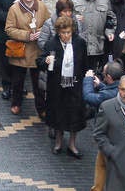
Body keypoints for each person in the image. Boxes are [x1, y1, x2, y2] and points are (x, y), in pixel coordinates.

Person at [37, 15, 88, 158]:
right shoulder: (52, 44)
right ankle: (58, 142)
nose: (66, 36)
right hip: (57, 87)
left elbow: (84, 63)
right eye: (63, 33)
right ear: (58, 32)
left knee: (74, 115)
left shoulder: (80, 43)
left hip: (75, 85)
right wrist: (46, 61)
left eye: (68, 33)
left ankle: (72, 144)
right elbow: (39, 62)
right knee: (58, 114)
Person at [5, 0, 49, 116]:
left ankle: (41, 108)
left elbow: (49, 24)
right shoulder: (14, 9)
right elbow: (9, 29)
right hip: (21, 50)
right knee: (18, 81)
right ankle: (16, 103)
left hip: (37, 51)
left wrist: (41, 32)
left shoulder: (42, 7)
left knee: (39, 83)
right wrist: (27, 35)